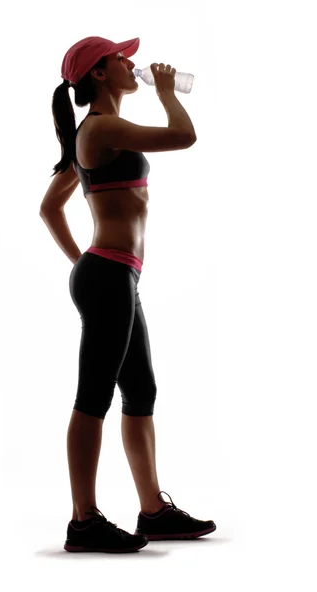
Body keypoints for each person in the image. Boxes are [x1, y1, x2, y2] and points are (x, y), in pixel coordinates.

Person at [40, 36, 216, 553]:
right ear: (98, 74)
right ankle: (84, 521)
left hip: (115, 276)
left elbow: (50, 207)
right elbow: (184, 136)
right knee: (93, 396)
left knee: (141, 394)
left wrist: (82, 263)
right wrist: (167, 90)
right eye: (121, 58)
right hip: (108, 277)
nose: (132, 63)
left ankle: (153, 512)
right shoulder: (101, 127)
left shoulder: (95, 136)